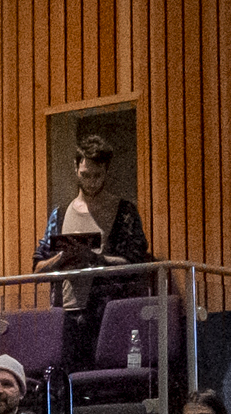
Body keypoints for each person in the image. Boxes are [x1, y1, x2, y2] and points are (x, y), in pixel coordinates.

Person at [40, 136, 155, 320]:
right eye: (85, 175)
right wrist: (62, 258)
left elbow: (138, 263)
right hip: (65, 312)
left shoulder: (124, 212)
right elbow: (38, 267)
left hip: (109, 311)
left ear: (106, 171)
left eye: (97, 175)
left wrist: (96, 259)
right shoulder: (59, 214)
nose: (91, 182)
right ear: (75, 169)